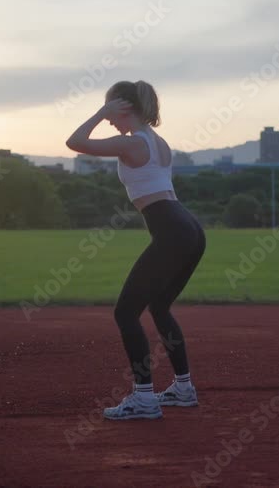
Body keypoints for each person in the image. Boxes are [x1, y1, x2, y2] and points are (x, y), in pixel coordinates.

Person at [65, 80, 206, 420]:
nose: (110, 120)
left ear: (123, 107)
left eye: (112, 112)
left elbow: (75, 142)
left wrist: (100, 112)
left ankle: (144, 399)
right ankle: (183, 389)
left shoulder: (132, 143)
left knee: (125, 313)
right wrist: (108, 110)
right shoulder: (157, 141)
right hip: (189, 229)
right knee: (159, 307)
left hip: (172, 231)